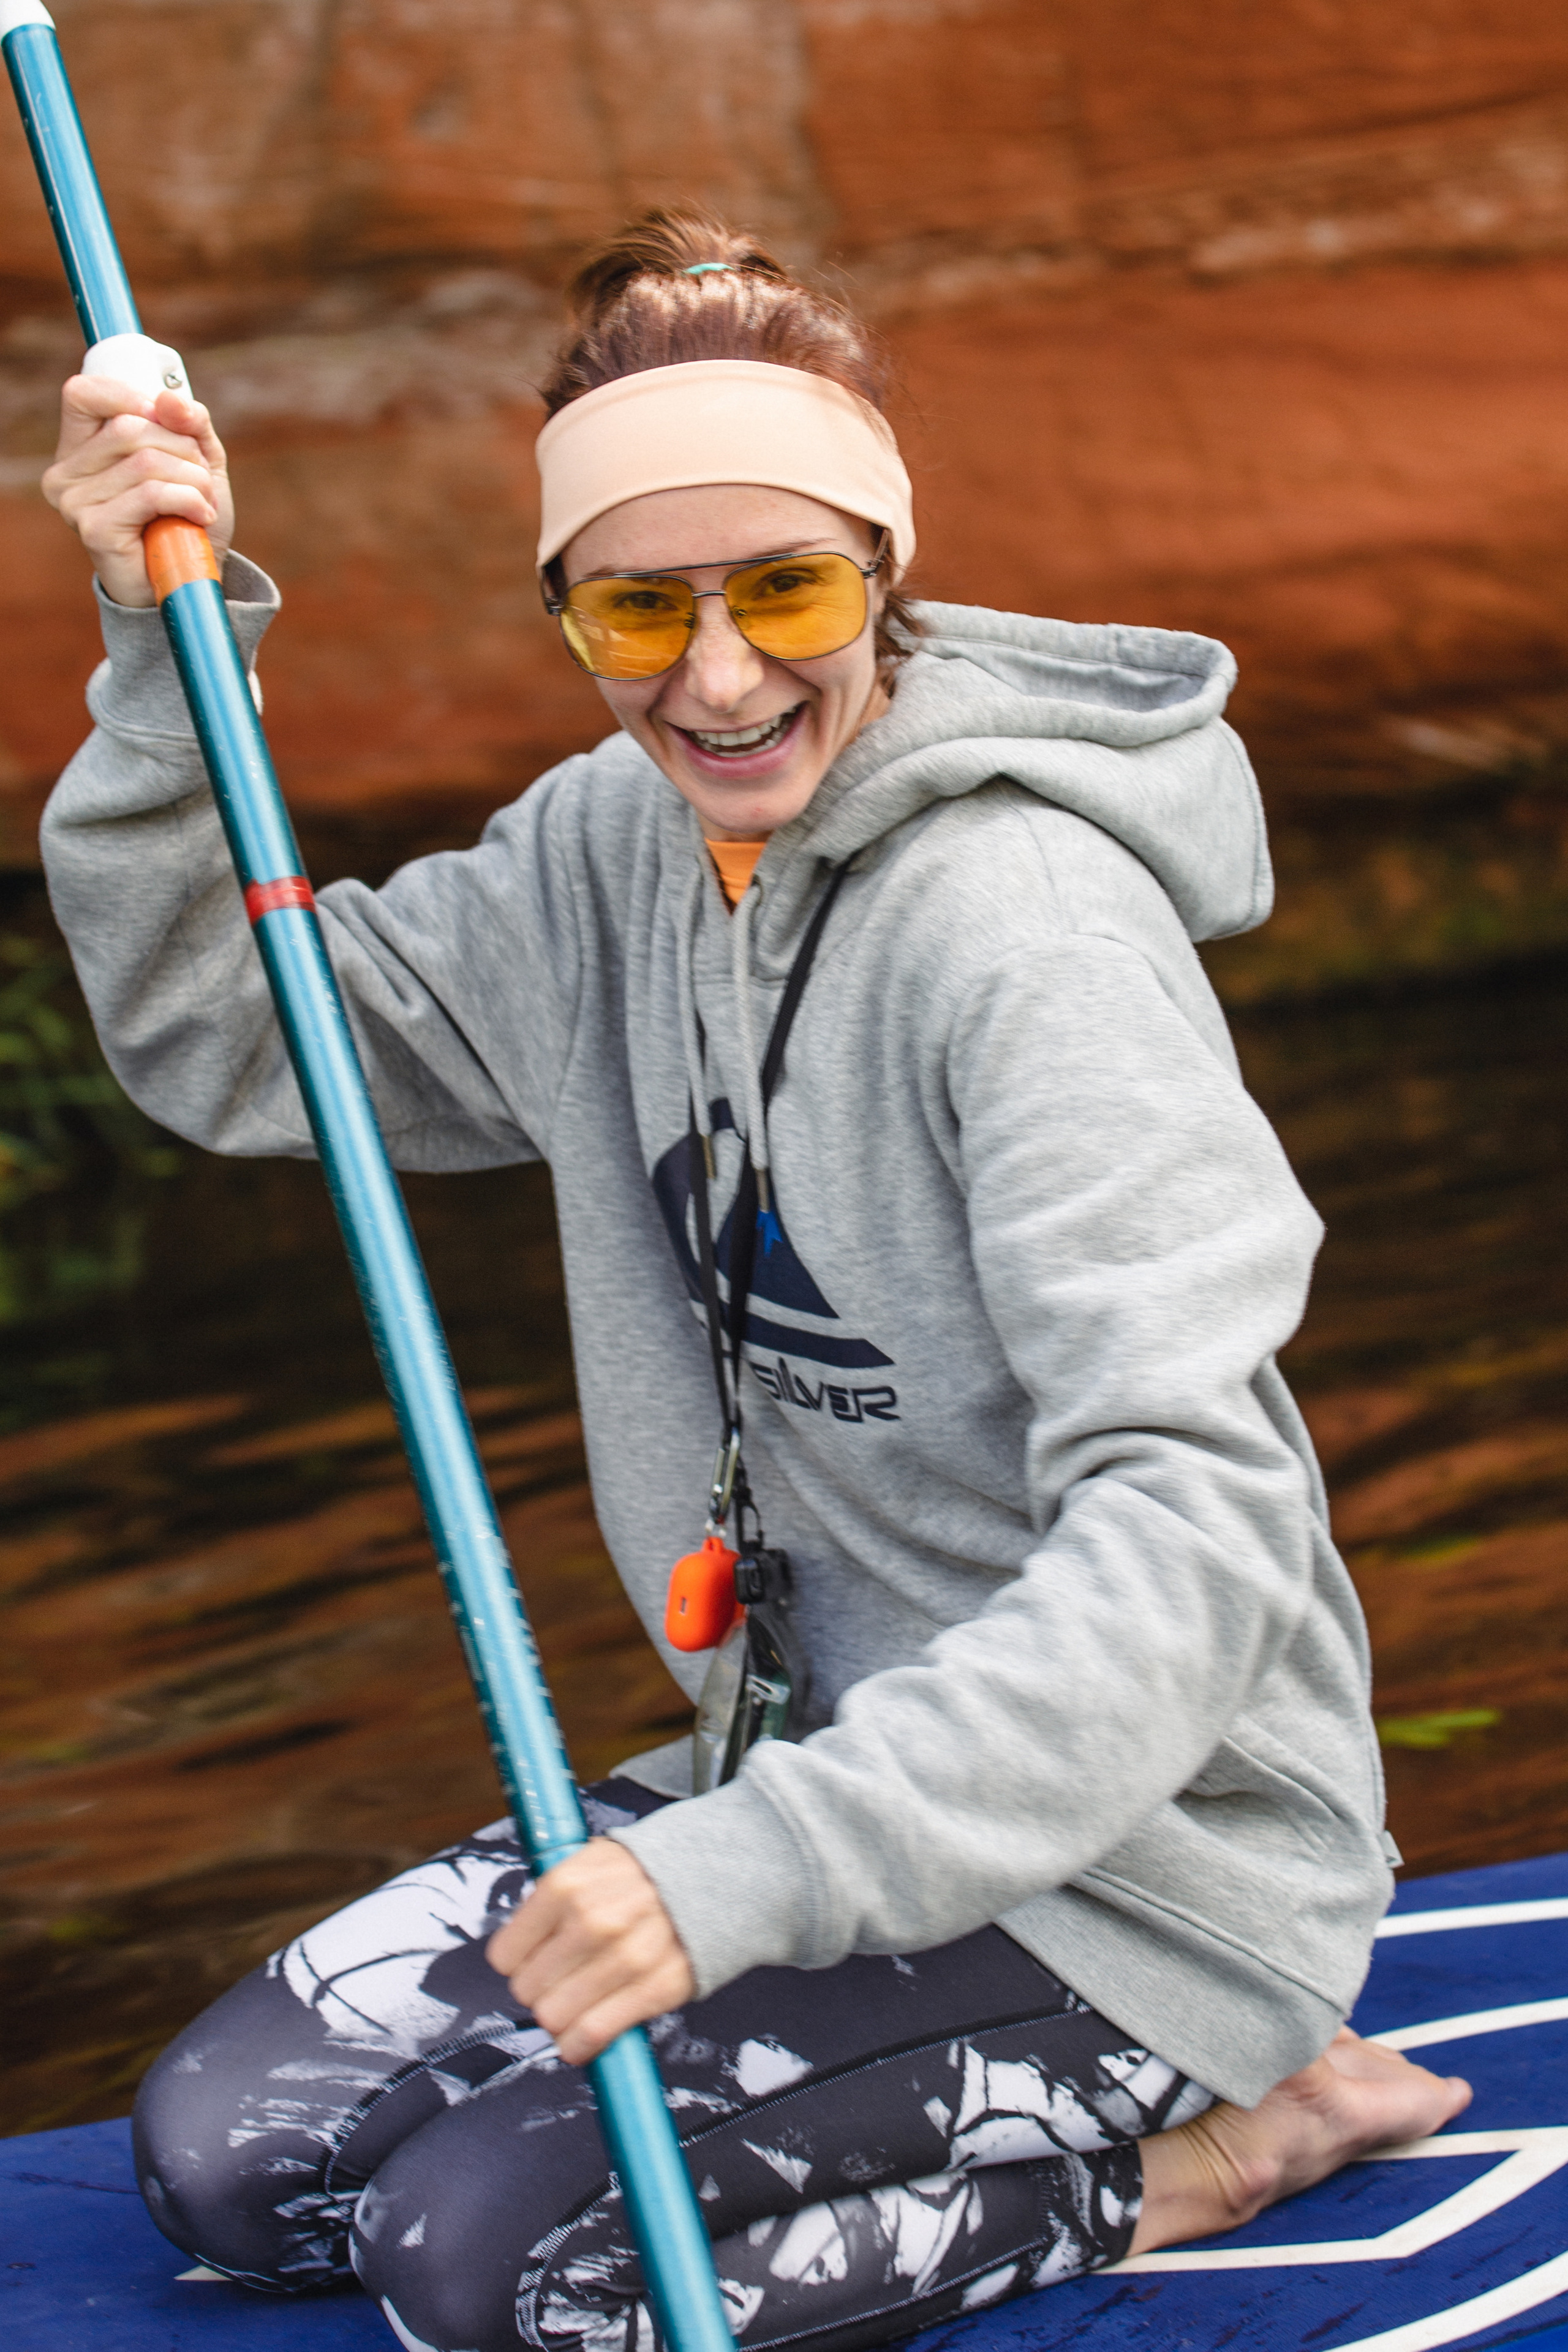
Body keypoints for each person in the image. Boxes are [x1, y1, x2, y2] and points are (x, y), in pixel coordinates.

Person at [39, 208, 1468, 2352]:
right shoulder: (602, 852)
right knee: (236, 2172)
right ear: (568, 614)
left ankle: (1224, 2141)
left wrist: (733, 1883)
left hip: (1138, 1870)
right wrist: (165, 658)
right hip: (785, 1779)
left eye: (787, 590)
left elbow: (1198, 1540)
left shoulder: (1034, 942)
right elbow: (248, 1044)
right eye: (637, 606)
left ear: (884, 572)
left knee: (498, 2270)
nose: (717, 678)